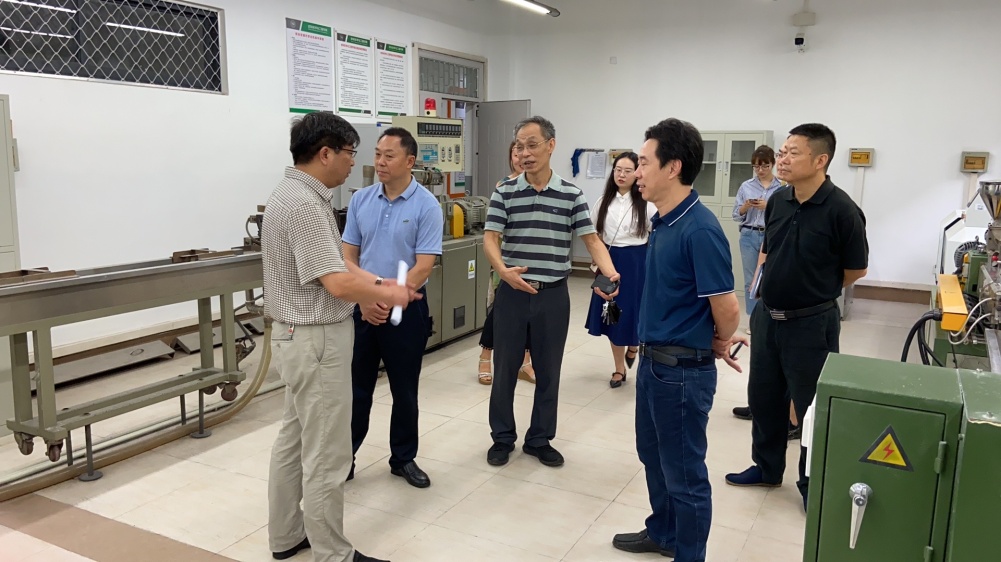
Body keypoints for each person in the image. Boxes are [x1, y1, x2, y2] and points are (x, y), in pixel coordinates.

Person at [264, 111, 413, 562]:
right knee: (328, 452)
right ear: (325, 153)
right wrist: (391, 292)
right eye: (350, 152)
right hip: (316, 341)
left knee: (294, 439)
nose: (355, 162)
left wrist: (379, 284)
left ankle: (286, 535)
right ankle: (333, 554)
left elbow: (339, 263)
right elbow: (336, 282)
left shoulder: (292, 193)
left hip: (295, 336)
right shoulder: (307, 205)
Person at [610, 118, 744, 562]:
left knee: (685, 474)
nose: (637, 172)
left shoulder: (699, 229)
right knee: (653, 456)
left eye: (644, 162)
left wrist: (719, 340)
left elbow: (727, 307)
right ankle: (664, 533)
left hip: (682, 373)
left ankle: (689, 554)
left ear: (673, 167)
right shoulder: (663, 222)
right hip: (653, 364)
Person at [724, 123, 868, 512]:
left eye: (792, 153)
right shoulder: (779, 201)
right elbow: (769, 250)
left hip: (811, 323)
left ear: (820, 160)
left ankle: (811, 483)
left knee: (810, 407)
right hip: (768, 318)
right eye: (782, 152)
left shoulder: (842, 210)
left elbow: (856, 269)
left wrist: (813, 288)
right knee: (764, 397)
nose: (782, 159)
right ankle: (767, 467)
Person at [484, 115, 619, 468]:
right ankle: (502, 438)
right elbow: (490, 238)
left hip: (553, 297)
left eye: (532, 145)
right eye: (519, 146)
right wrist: (502, 271)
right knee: (505, 370)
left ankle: (539, 439)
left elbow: (592, 240)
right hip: (512, 295)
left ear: (550, 145)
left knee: (548, 371)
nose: (525, 153)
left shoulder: (571, 194)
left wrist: (610, 273)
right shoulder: (504, 192)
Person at [342, 127, 443, 489]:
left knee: (404, 389)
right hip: (363, 308)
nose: (380, 162)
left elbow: (424, 266)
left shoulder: (427, 206)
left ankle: (403, 458)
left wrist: (386, 297)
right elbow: (347, 257)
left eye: (389, 155)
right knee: (356, 389)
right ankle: (345, 457)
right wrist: (366, 298)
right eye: (377, 154)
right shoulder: (361, 200)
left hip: (406, 310)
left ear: (410, 161)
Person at [584, 151, 655, 388]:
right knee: (612, 314)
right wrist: (598, 262)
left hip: (637, 263)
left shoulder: (647, 203)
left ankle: (633, 345)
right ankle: (618, 369)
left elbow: (656, 234)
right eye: (617, 170)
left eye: (627, 171)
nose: (621, 175)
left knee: (634, 312)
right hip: (609, 260)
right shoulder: (603, 201)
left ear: (637, 173)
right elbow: (593, 235)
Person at [478, 140, 535, 386]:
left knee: (531, 314)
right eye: (516, 152)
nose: (521, 157)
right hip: (505, 261)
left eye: (526, 151)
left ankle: (525, 362)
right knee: (498, 311)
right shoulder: (503, 187)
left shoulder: (540, 185)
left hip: (532, 260)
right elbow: (494, 232)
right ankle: (485, 356)